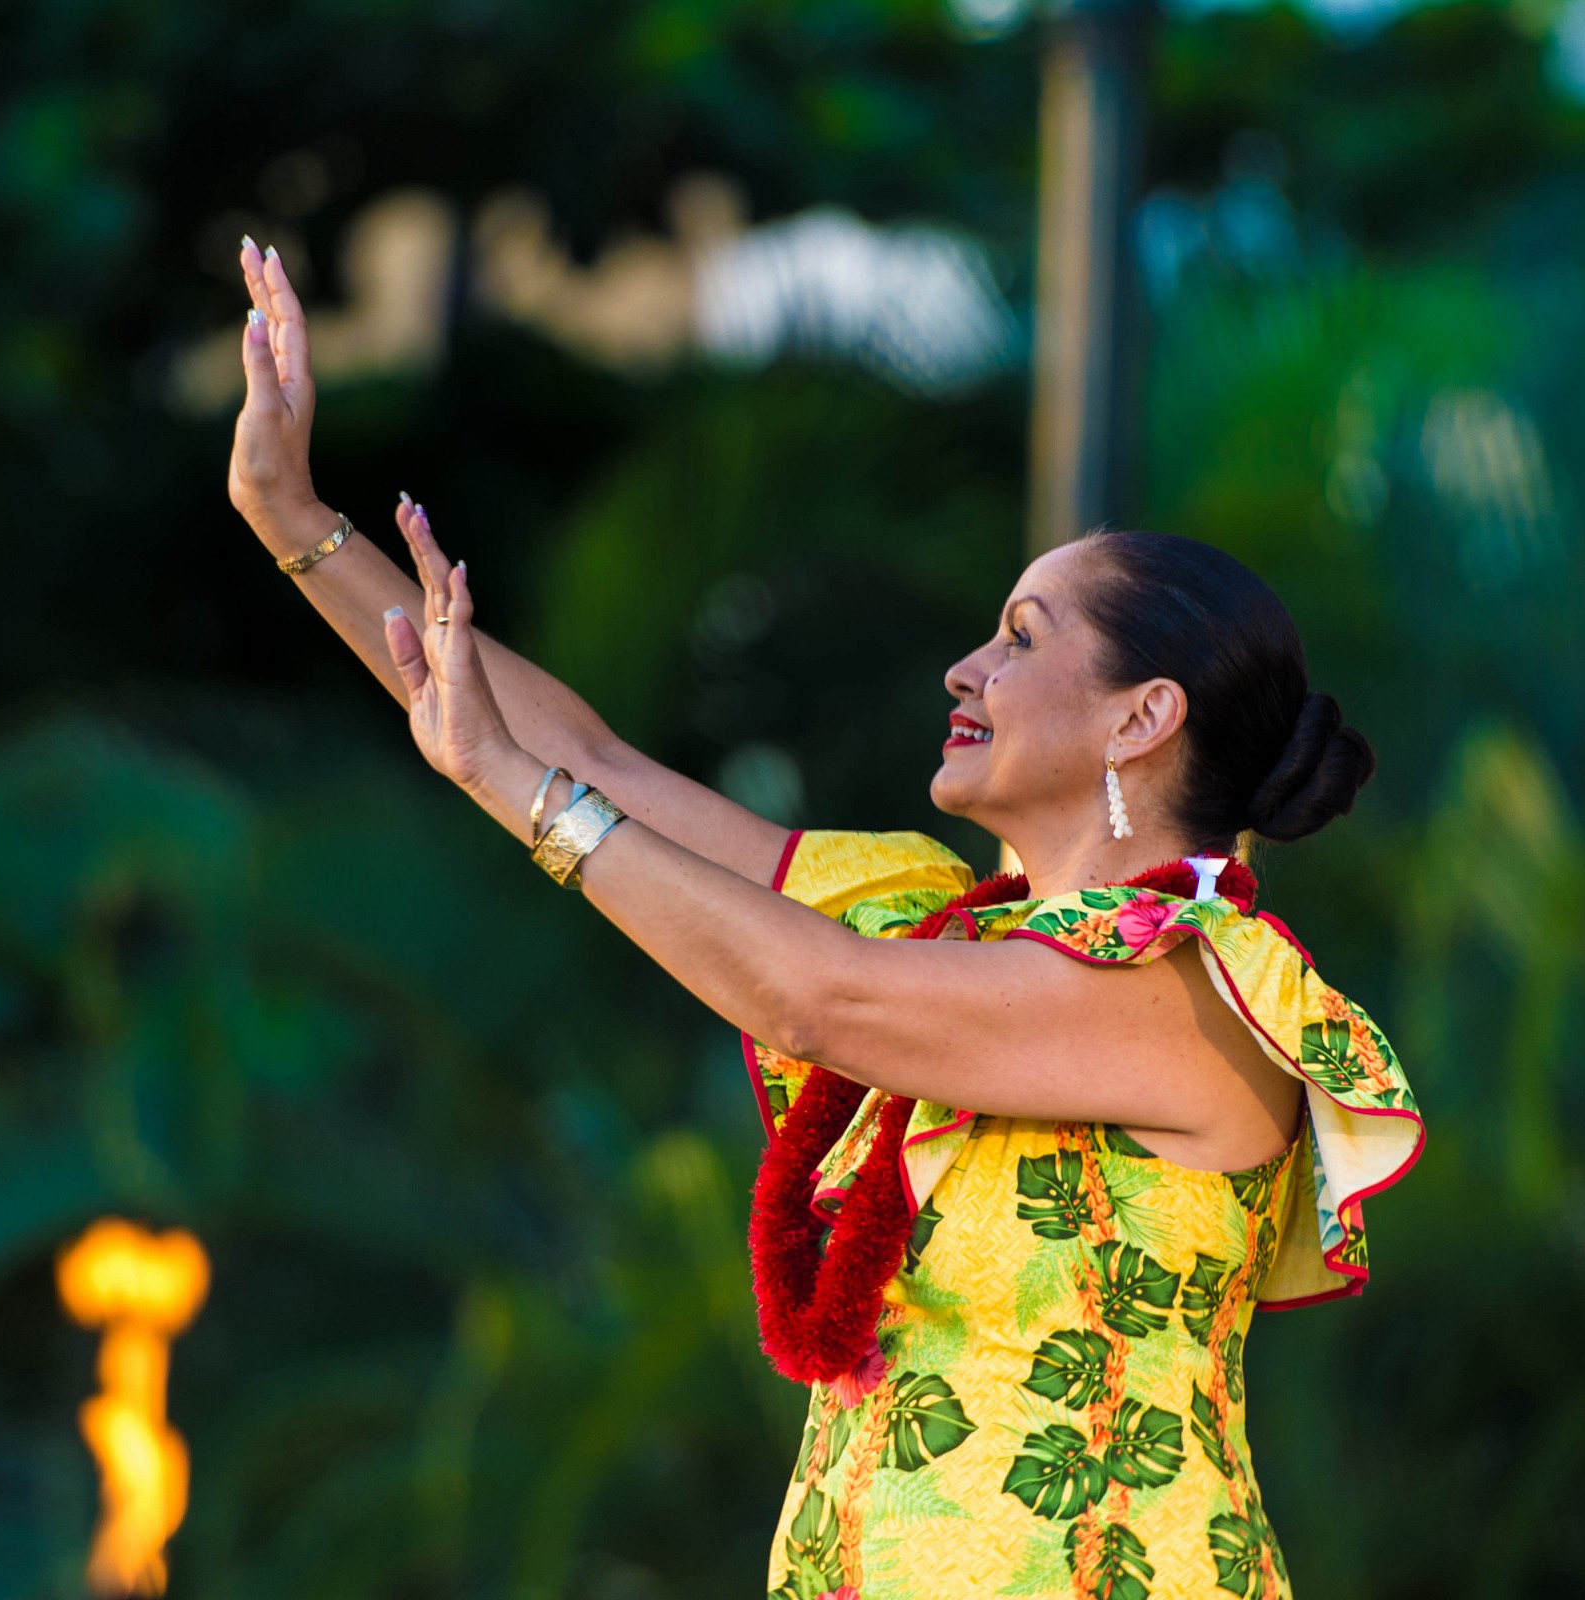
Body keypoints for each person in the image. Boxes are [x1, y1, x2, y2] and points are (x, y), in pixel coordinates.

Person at [225, 239, 1422, 1599]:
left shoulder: (1191, 996)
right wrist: (294, 521)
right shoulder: (926, 922)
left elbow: (817, 999)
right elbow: (601, 772)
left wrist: (511, 785)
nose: (967, 668)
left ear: (1143, 718)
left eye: (1024, 640)